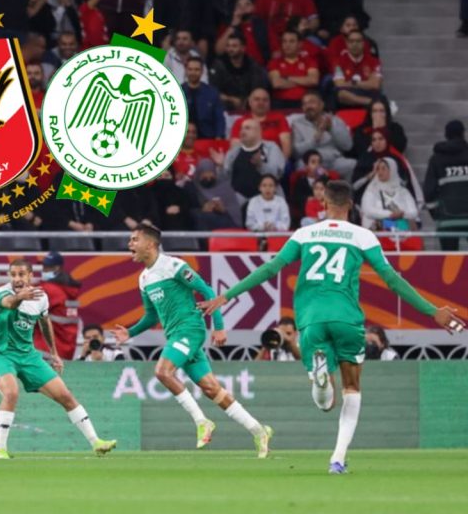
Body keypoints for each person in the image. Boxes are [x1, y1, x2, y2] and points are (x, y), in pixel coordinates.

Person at [199, 181, 464, 474]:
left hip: (311, 319)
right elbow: (392, 279)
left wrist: (226, 296)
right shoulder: (363, 236)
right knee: (352, 388)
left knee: (325, 403)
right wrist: (432, 311)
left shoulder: (304, 234)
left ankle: (320, 376)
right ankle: (337, 458)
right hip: (347, 318)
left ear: (324, 204)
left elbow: (270, 269)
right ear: (350, 205)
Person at [113, 226, 272, 455]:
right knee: (211, 388)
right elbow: (151, 315)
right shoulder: (144, 279)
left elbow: (208, 291)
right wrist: (130, 332)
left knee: (163, 372)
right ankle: (259, 431)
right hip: (176, 335)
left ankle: (201, 421)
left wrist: (219, 327)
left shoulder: (174, 266)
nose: (130, 244)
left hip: (190, 330)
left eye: (134, 239)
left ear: (151, 244)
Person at [0, 259, 117, 459]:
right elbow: (10, 304)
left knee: (65, 395)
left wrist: (54, 353)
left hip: (28, 356)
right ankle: (0, 450)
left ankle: (96, 442)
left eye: (21, 274)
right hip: (1, 354)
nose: (17, 279)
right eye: (13, 275)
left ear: (30, 276)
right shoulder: (3, 293)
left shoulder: (40, 298)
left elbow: (44, 322)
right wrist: (21, 296)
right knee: (11, 393)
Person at [290, 91, 355, 180]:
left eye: (312, 102)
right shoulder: (297, 124)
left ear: (321, 105)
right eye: (305, 104)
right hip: (310, 162)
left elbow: (348, 146)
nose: (308, 106)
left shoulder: (335, 120)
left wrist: (331, 129)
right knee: (301, 166)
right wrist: (315, 140)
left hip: (333, 161)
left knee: (352, 165)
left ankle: (345, 189)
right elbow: (296, 152)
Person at [424, 120, 468, 250]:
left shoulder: (436, 159)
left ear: (446, 135)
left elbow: (429, 191)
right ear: (463, 133)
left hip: (447, 219)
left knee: (449, 260)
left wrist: (437, 214)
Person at [29, 251, 81, 361]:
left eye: (46, 268)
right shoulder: (69, 290)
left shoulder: (50, 290)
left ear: (57, 268)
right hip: (65, 352)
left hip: (45, 350)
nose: (43, 271)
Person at [223, 119, 286, 201]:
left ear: (258, 132)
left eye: (247, 128)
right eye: (241, 128)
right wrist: (221, 166)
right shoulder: (234, 151)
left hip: (266, 199)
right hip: (239, 200)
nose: (242, 131)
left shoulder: (271, 148)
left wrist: (261, 165)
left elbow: (277, 174)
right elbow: (226, 179)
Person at [210, 34, 270, 112]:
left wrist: (245, 102)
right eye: (228, 46)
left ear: (243, 48)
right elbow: (213, 91)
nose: (230, 49)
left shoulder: (252, 64)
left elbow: (257, 88)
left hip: (248, 103)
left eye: (234, 46)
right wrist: (232, 99)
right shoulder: (218, 65)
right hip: (226, 103)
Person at [360, 159, 418, 232]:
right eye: (378, 169)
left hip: (401, 227)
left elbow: (413, 212)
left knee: (409, 225)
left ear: (392, 170)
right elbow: (367, 210)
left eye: (383, 169)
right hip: (378, 230)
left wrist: (402, 214)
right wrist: (390, 214)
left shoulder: (403, 191)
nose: (380, 172)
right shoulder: (371, 190)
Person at [268, 30, 320, 110]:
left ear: (300, 44)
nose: (287, 45)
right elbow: (276, 83)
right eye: (284, 41)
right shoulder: (274, 62)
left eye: (291, 41)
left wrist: (287, 78)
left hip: (304, 102)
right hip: (281, 102)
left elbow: (313, 80)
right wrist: (304, 81)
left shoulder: (309, 61)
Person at [331, 30, 382, 108]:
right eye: (351, 41)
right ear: (346, 43)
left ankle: (369, 102)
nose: (355, 44)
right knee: (341, 93)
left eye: (358, 41)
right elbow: (339, 84)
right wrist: (366, 84)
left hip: (367, 93)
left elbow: (375, 84)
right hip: (348, 95)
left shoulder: (374, 61)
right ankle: (370, 102)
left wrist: (353, 83)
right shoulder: (338, 62)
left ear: (363, 43)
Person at [188, 158, 242, 231]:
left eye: (211, 173)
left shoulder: (224, 186)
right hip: (201, 220)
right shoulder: (192, 187)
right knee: (200, 216)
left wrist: (223, 209)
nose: (208, 177)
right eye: (205, 173)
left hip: (225, 220)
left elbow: (234, 211)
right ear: (199, 174)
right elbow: (188, 210)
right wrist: (203, 209)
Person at [182, 57, 225, 139]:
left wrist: (219, 137)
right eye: (190, 69)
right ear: (186, 70)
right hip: (182, 138)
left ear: (202, 71)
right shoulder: (177, 91)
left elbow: (219, 118)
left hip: (207, 137)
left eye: (196, 70)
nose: (193, 73)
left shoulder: (212, 93)